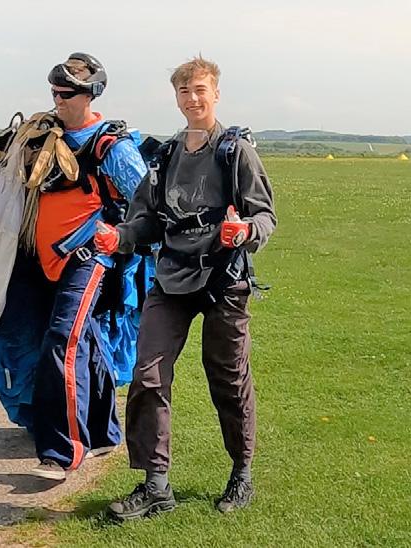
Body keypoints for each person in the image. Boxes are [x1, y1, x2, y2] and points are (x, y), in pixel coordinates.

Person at [96, 55, 277, 517]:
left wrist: (244, 231)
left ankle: (241, 474)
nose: (192, 99)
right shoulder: (164, 156)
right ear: (175, 97)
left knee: (228, 377)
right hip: (171, 277)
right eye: (184, 91)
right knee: (148, 374)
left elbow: (264, 216)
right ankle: (156, 485)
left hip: (223, 279)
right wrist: (120, 237)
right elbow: (146, 220)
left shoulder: (236, 152)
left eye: (200, 90)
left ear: (216, 93)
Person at [28, 53, 148, 480]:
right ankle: (102, 432)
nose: (58, 99)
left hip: (90, 257)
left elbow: (147, 204)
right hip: (49, 259)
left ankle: (61, 452)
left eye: (66, 93)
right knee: (88, 338)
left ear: (90, 94)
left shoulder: (113, 147)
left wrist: (120, 238)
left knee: (63, 341)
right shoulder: (46, 137)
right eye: (54, 92)